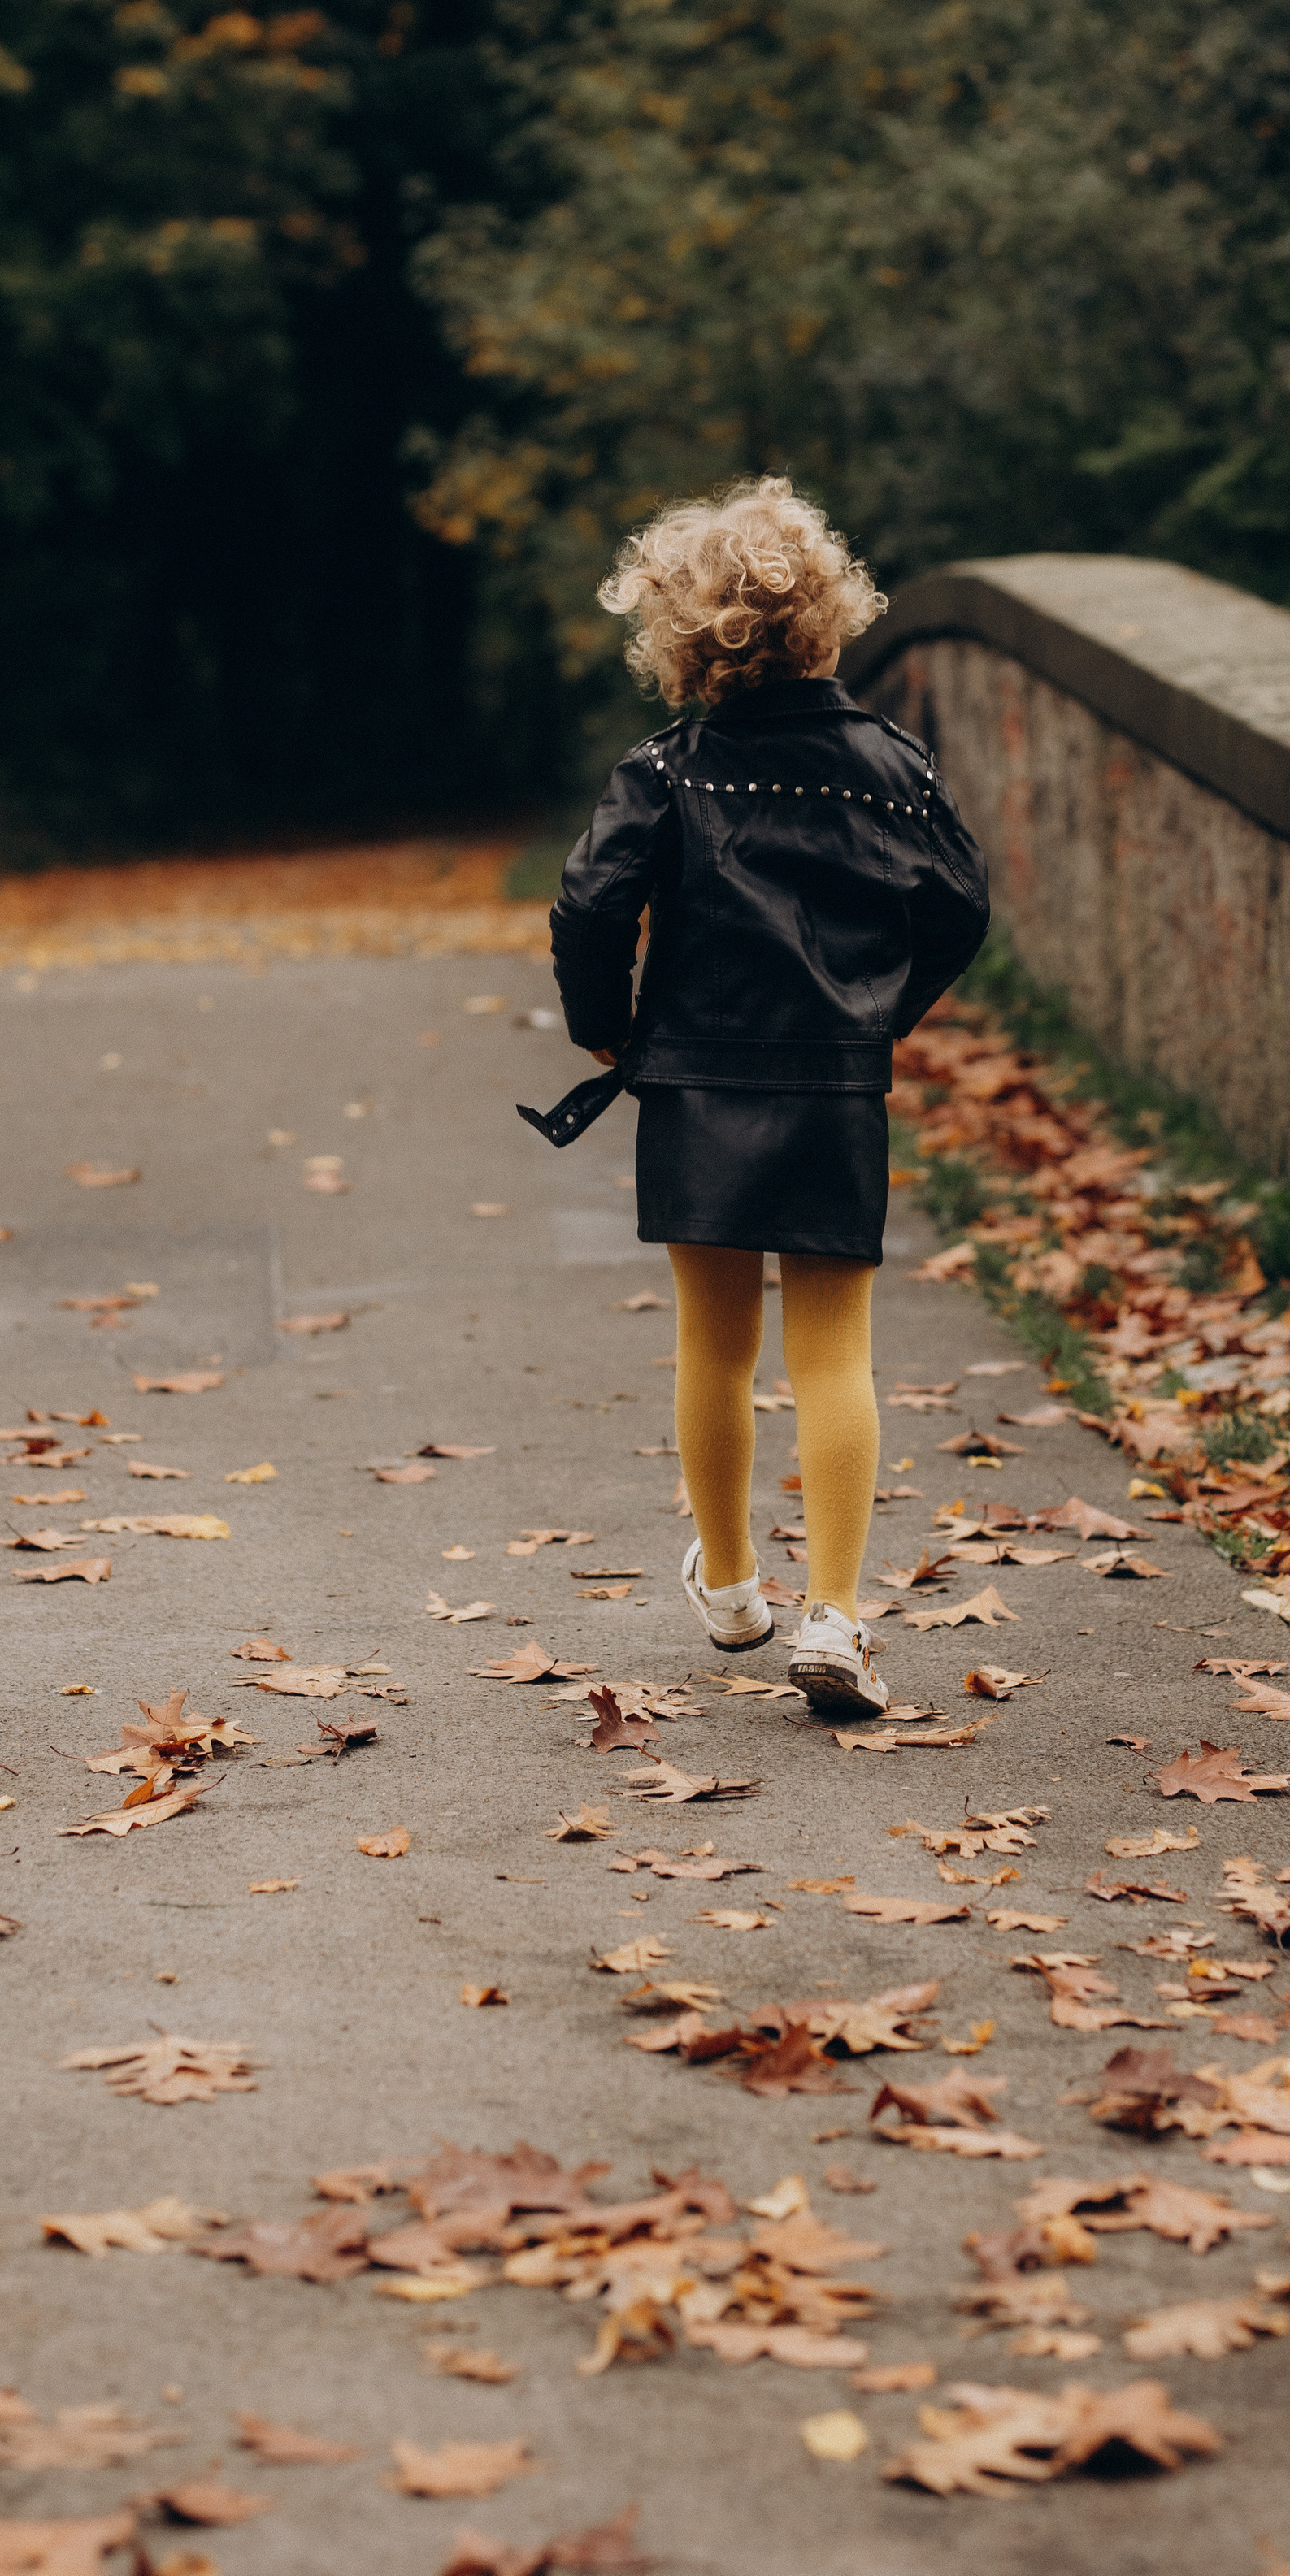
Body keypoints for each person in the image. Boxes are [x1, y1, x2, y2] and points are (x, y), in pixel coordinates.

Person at [525, 477, 989, 1717]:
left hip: (695, 1081)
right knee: (835, 1349)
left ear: (677, 633)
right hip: (834, 1084)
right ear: (828, 618)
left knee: (715, 1346)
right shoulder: (892, 767)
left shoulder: (668, 770)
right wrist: (877, 1009)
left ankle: (731, 1587)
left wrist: (608, 1030)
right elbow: (960, 904)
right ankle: (834, 1617)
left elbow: (588, 905)